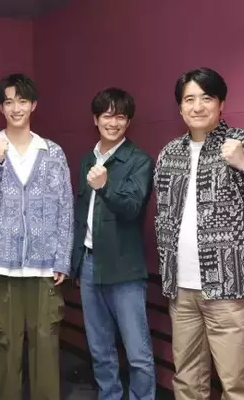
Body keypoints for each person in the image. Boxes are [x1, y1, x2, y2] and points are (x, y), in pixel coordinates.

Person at [153, 67, 244, 400]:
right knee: (186, 382)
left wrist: (243, 165)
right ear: (180, 107)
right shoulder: (169, 153)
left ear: (221, 103)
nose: (197, 106)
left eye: (206, 98)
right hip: (182, 291)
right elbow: (164, 218)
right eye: (189, 99)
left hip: (231, 289)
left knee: (238, 386)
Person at [0, 73, 74, 400]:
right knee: (3, 346)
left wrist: (62, 258)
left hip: (43, 268)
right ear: (0, 107)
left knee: (46, 346)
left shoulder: (52, 152)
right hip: (0, 267)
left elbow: (65, 207)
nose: (16, 108)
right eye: (9, 101)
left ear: (33, 105)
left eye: (22, 101)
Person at [70, 87, 156, 400]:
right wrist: (75, 264)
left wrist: (105, 187)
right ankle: (109, 395)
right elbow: (81, 216)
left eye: (120, 116)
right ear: (95, 119)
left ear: (128, 122)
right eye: (107, 115)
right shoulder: (87, 160)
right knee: (100, 348)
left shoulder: (139, 160)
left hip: (124, 267)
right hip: (89, 265)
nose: (113, 122)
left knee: (137, 352)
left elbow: (133, 208)